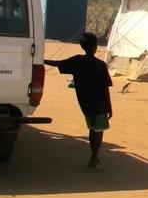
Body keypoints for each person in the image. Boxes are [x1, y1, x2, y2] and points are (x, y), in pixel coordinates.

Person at [44, 32, 113, 170]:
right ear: (95, 47)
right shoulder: (100, 65)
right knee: (98, 131)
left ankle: (94, 157)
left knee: (92, 129)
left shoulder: (77, 61)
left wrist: (41, 59)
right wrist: (109, 107)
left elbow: (59, 63)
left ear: (82, 46)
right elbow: (105, 88)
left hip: (85, 103)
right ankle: (94, 159)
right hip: (100, 104)